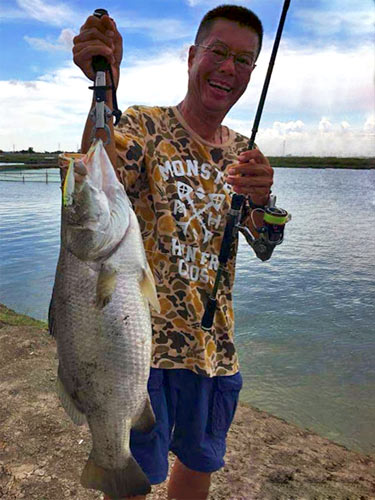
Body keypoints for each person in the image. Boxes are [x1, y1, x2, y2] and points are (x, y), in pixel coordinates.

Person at [72, 4, 274, 499]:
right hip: (142, 348)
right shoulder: (145, 125)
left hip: (213, 349)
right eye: (219, 52)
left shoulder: (246, 152)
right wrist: (104, 88)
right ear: (192, 56)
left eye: (244, 60)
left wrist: (265, 204)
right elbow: (94, 178)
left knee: (197, 464)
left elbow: (264, 243)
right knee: (131, 478)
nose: (229, 68)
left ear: (251, 72)